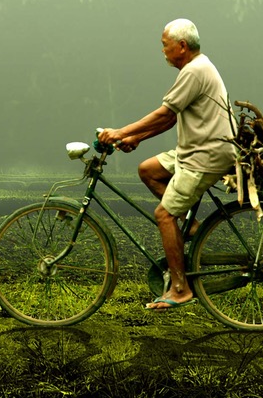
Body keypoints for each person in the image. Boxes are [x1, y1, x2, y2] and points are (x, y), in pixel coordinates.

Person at [98, 19, 233, 311]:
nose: (163, 51)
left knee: (163, 215)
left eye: (165, 45)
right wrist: (136, 137)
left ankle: (181, 288)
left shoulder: (194, 71)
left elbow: (163, 114)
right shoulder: (197, 67)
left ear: (181, 46)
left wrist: (121, 132)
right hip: (193, 151)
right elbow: (172, 118)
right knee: (148, 169)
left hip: (205, 156)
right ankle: (191, 226)